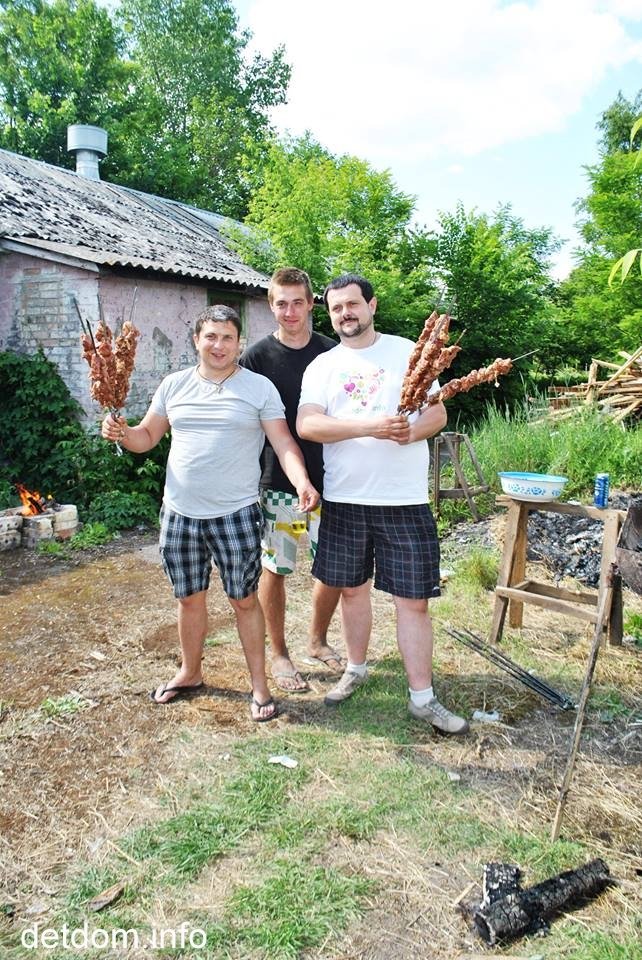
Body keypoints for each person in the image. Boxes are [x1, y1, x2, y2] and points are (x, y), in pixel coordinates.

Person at [102, 305, 318, 722]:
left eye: (227, 338)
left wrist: (301, 481)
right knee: (188, 598)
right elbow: (146, 437)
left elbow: (284, 443)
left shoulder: (259, 388)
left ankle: (259, 685)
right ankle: (190, 671)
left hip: (235, 513)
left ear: (239, 343)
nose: (219, 345)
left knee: (244, 599)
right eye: (211, 337)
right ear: (196, 340)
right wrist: (122, 433)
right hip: (179, 513)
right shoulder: (174, 385)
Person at [296, 274, 469, 734]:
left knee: (413, 601)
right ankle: (355, 668)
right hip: (345, 498)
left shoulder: (408, 352)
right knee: (352, 591)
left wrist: (408, 433)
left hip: (404, 499)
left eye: (352, 304)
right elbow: (308, 425)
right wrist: (370, 427)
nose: (345, 314)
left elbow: (437, 411)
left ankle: (422, 698)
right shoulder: (323, 365)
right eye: (336, 308)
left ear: (371, 306)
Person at [240, 267, 343, 693]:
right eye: (281, 303)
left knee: (334, 568)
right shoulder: (256, 358)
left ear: (311, 304)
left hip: (334, 478)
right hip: (277, 481)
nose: (290, 311)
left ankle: (317, 640)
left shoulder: (333, 353)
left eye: (298, 302)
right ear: (271, 306)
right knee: (276, 567)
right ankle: (280, 653)